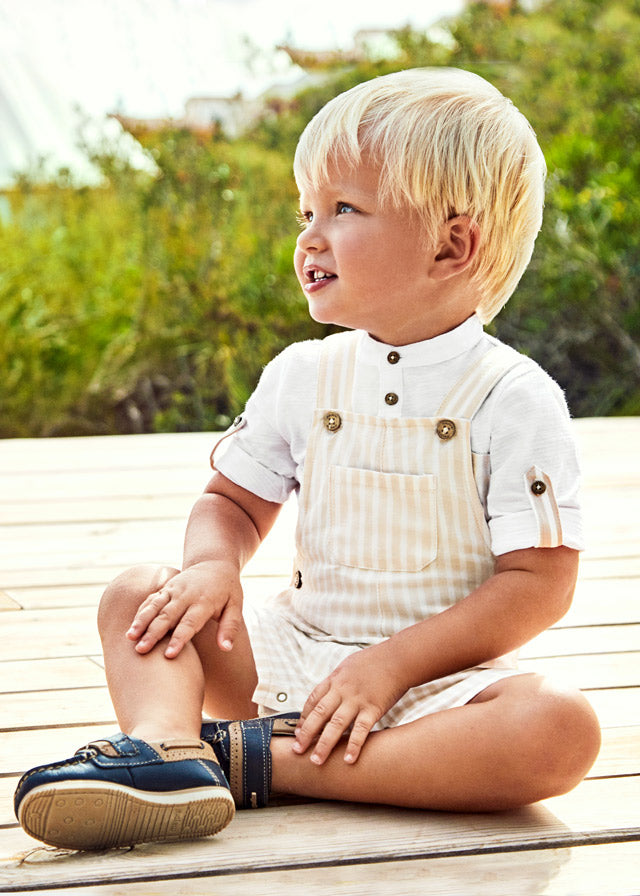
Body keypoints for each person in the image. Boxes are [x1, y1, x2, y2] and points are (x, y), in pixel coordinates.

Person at [14, 67, 601, 851]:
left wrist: (390, 668)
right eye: (306, 212)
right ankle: (163, 744)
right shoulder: (303, 374)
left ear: (452, 244)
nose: (310, 236)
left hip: (436, 688)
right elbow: (232, 502)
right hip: (287, 664)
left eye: (344, 209)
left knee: (558, 728)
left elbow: (538, 585)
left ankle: (243, 761)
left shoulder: (512, 396)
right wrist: (211, 568)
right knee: (138, 597)